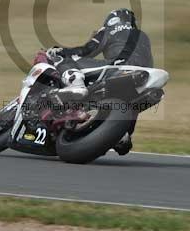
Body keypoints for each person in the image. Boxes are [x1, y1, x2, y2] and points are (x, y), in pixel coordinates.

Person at [46, 8, 154, 156]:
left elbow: (86, 50)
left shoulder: (110, 30)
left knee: (63, 59)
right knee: (132, 100)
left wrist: (60, 50)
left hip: (118, 67)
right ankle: (123, 135)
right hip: (142, 76)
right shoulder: (143, 36)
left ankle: (76, 84)